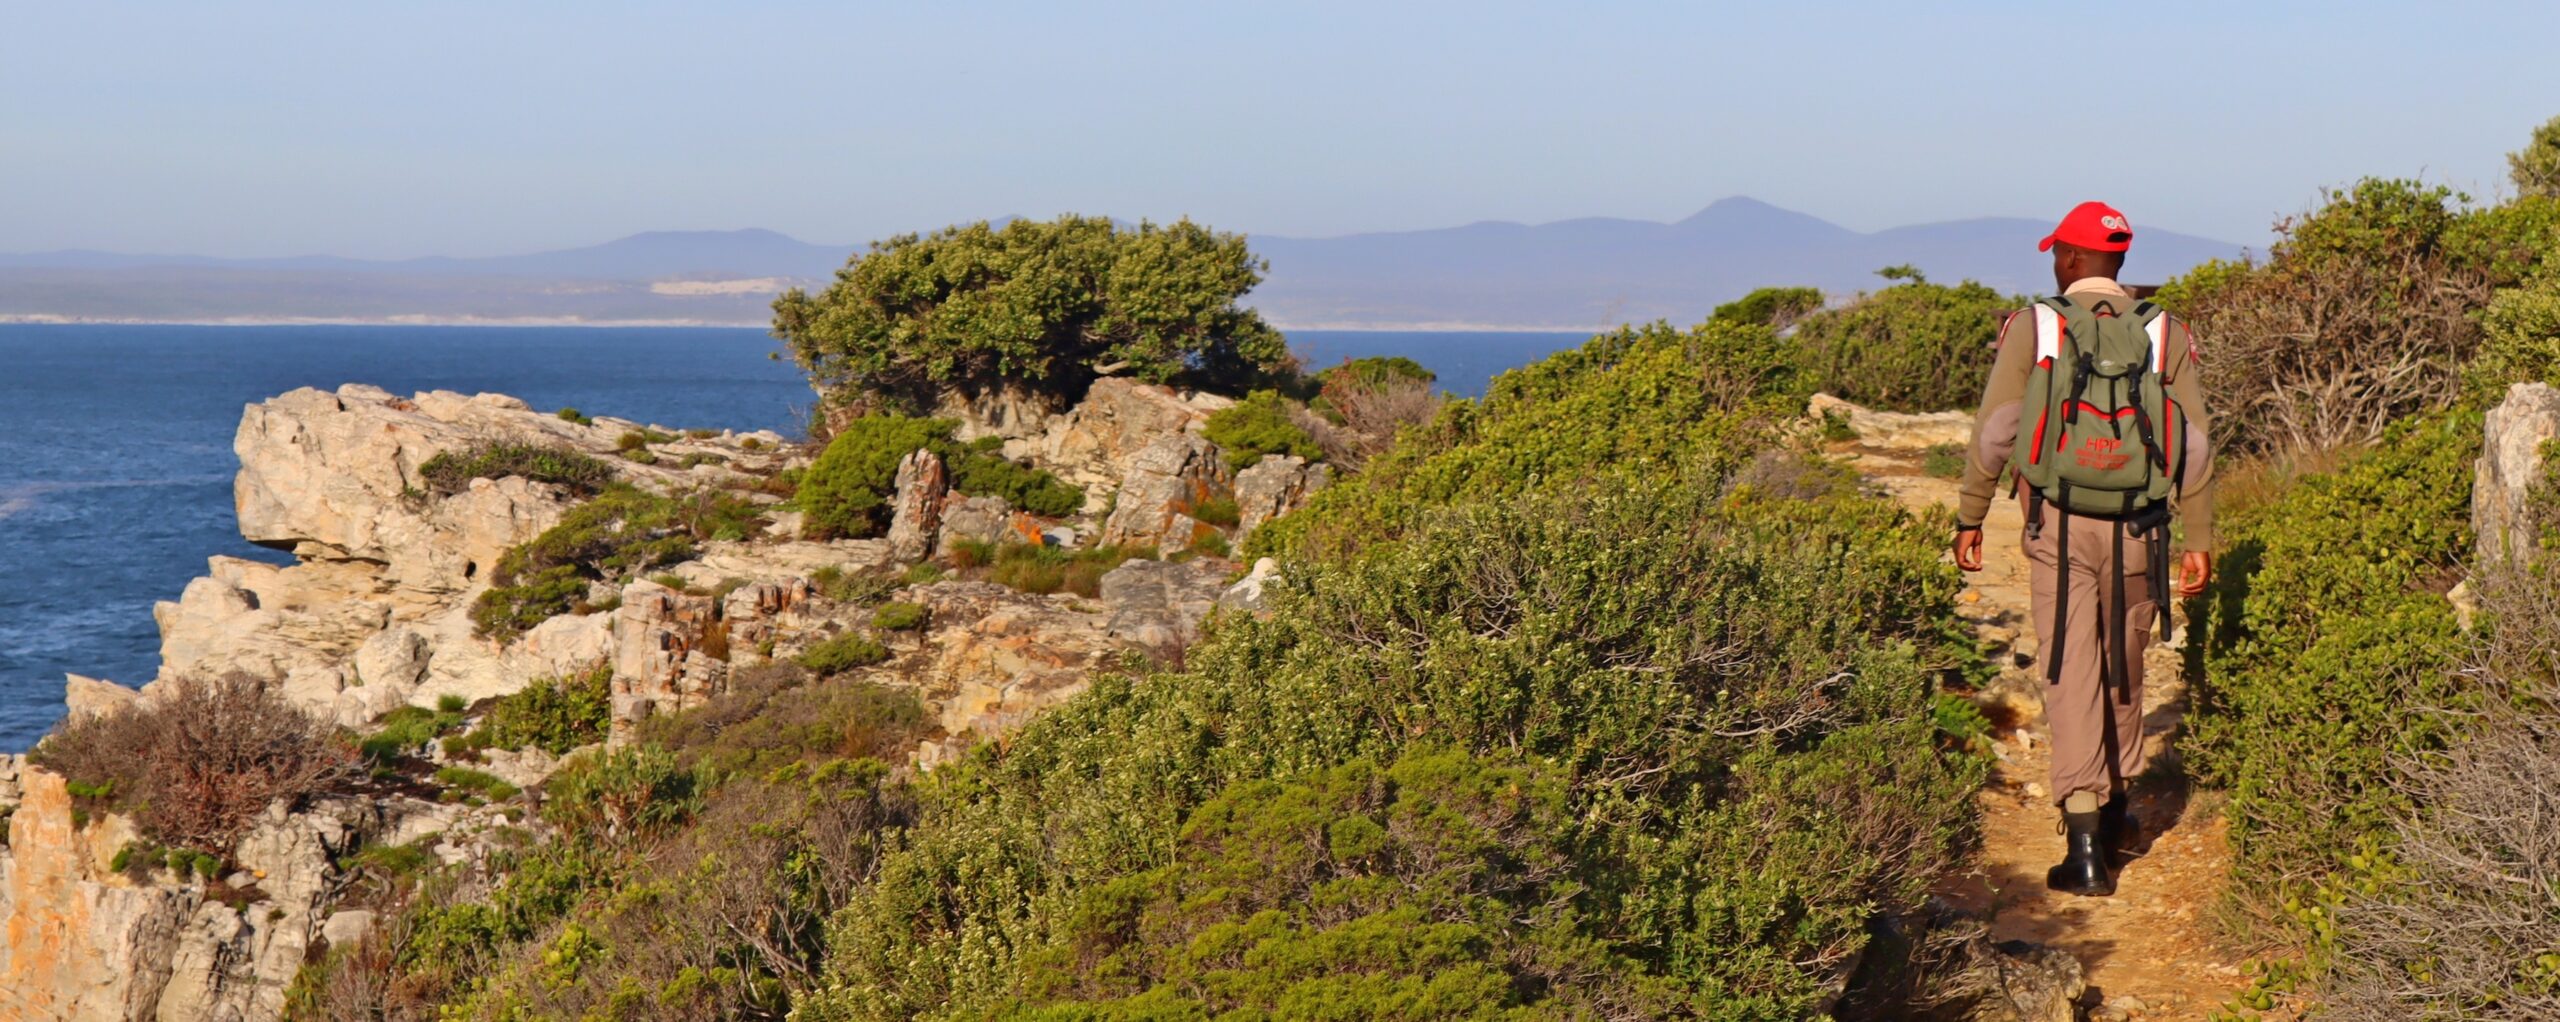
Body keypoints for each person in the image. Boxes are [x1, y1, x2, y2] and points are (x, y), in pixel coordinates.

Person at [1951, 201, 2216, 897]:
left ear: (2069, 260)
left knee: (2070, 670)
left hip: (2058, 526)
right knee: (2125, 664)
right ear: (2120, 261)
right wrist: (2201, 535)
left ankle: (2085, 845)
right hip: (2143, 528)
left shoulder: (2034, 326)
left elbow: (1995, 434)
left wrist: (1971, 515)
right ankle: (2121, 807)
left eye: (2057, 253)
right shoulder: (2166, 332)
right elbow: (2193, 445)